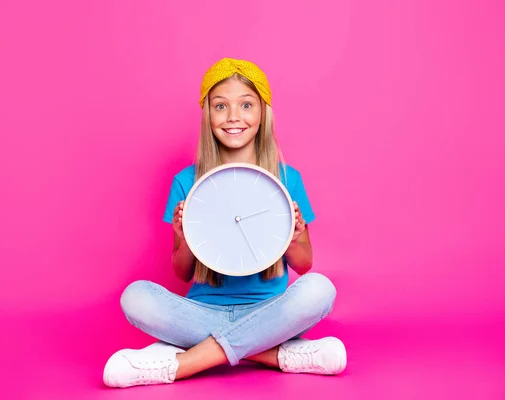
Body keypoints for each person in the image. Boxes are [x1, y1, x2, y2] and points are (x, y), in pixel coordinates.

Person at [103, 58, 346, 388]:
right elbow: (182, 271)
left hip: (270, 312)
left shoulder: (287, 179)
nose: (234, 116)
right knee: (136, 297)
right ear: (208, 115)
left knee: (321, 289)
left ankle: (184, 362)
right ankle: (276, 354)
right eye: (221, 106)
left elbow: (305, 264)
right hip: (201, 312)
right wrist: (185, 238)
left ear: (263, 113)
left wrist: (292, 237)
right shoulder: (186, 182)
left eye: (246, 104)